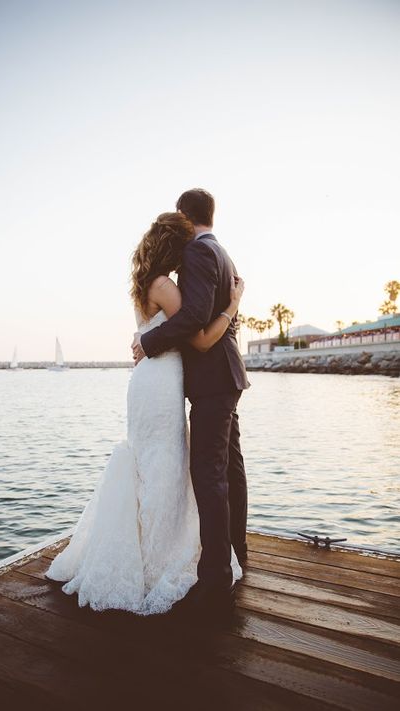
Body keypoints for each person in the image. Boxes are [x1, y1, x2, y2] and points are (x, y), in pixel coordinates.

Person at [45, 211, 245, 616]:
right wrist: (233, 305)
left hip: (147, 383)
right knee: (167, 464)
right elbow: (201, 335)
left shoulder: (143, 284)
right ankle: (162, 558)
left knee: (150, 462)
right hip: (161, 384)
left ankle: (147, 552)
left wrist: (148, 339)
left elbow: (158, 331)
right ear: (174, 247)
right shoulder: (166, 286)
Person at [133, 189, 251, 618]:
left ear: (185, 216)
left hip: (212, 378)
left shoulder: (199, 254)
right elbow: (225, 314)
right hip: (227, 374)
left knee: (209, 473)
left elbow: (196, 315)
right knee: (230, 469)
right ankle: (236, 550)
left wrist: (148, 342)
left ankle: (217, 578)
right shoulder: (222, 254)